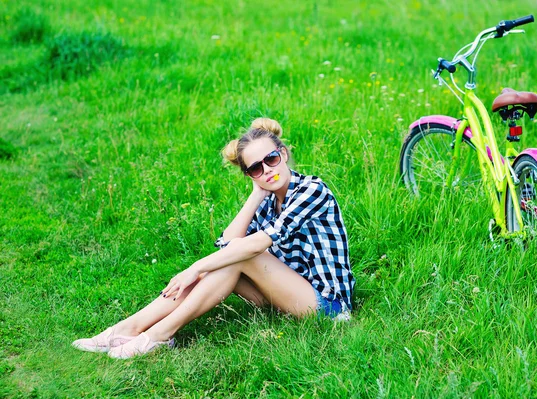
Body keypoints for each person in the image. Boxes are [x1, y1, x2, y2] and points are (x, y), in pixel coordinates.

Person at [72, 117, 355, 359]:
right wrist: (257, 193)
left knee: (244, 256)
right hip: (286, 296)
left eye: (271, 159)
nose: (267, 170)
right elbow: (228, 243)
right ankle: (127, 329)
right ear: (248, 174)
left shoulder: (312, 190)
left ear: (284, 153)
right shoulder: (268, 200)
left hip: (328, 306)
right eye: (256, 168)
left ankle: (160, 334)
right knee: (231, 258)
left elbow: (256, 245)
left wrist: (195, 268)